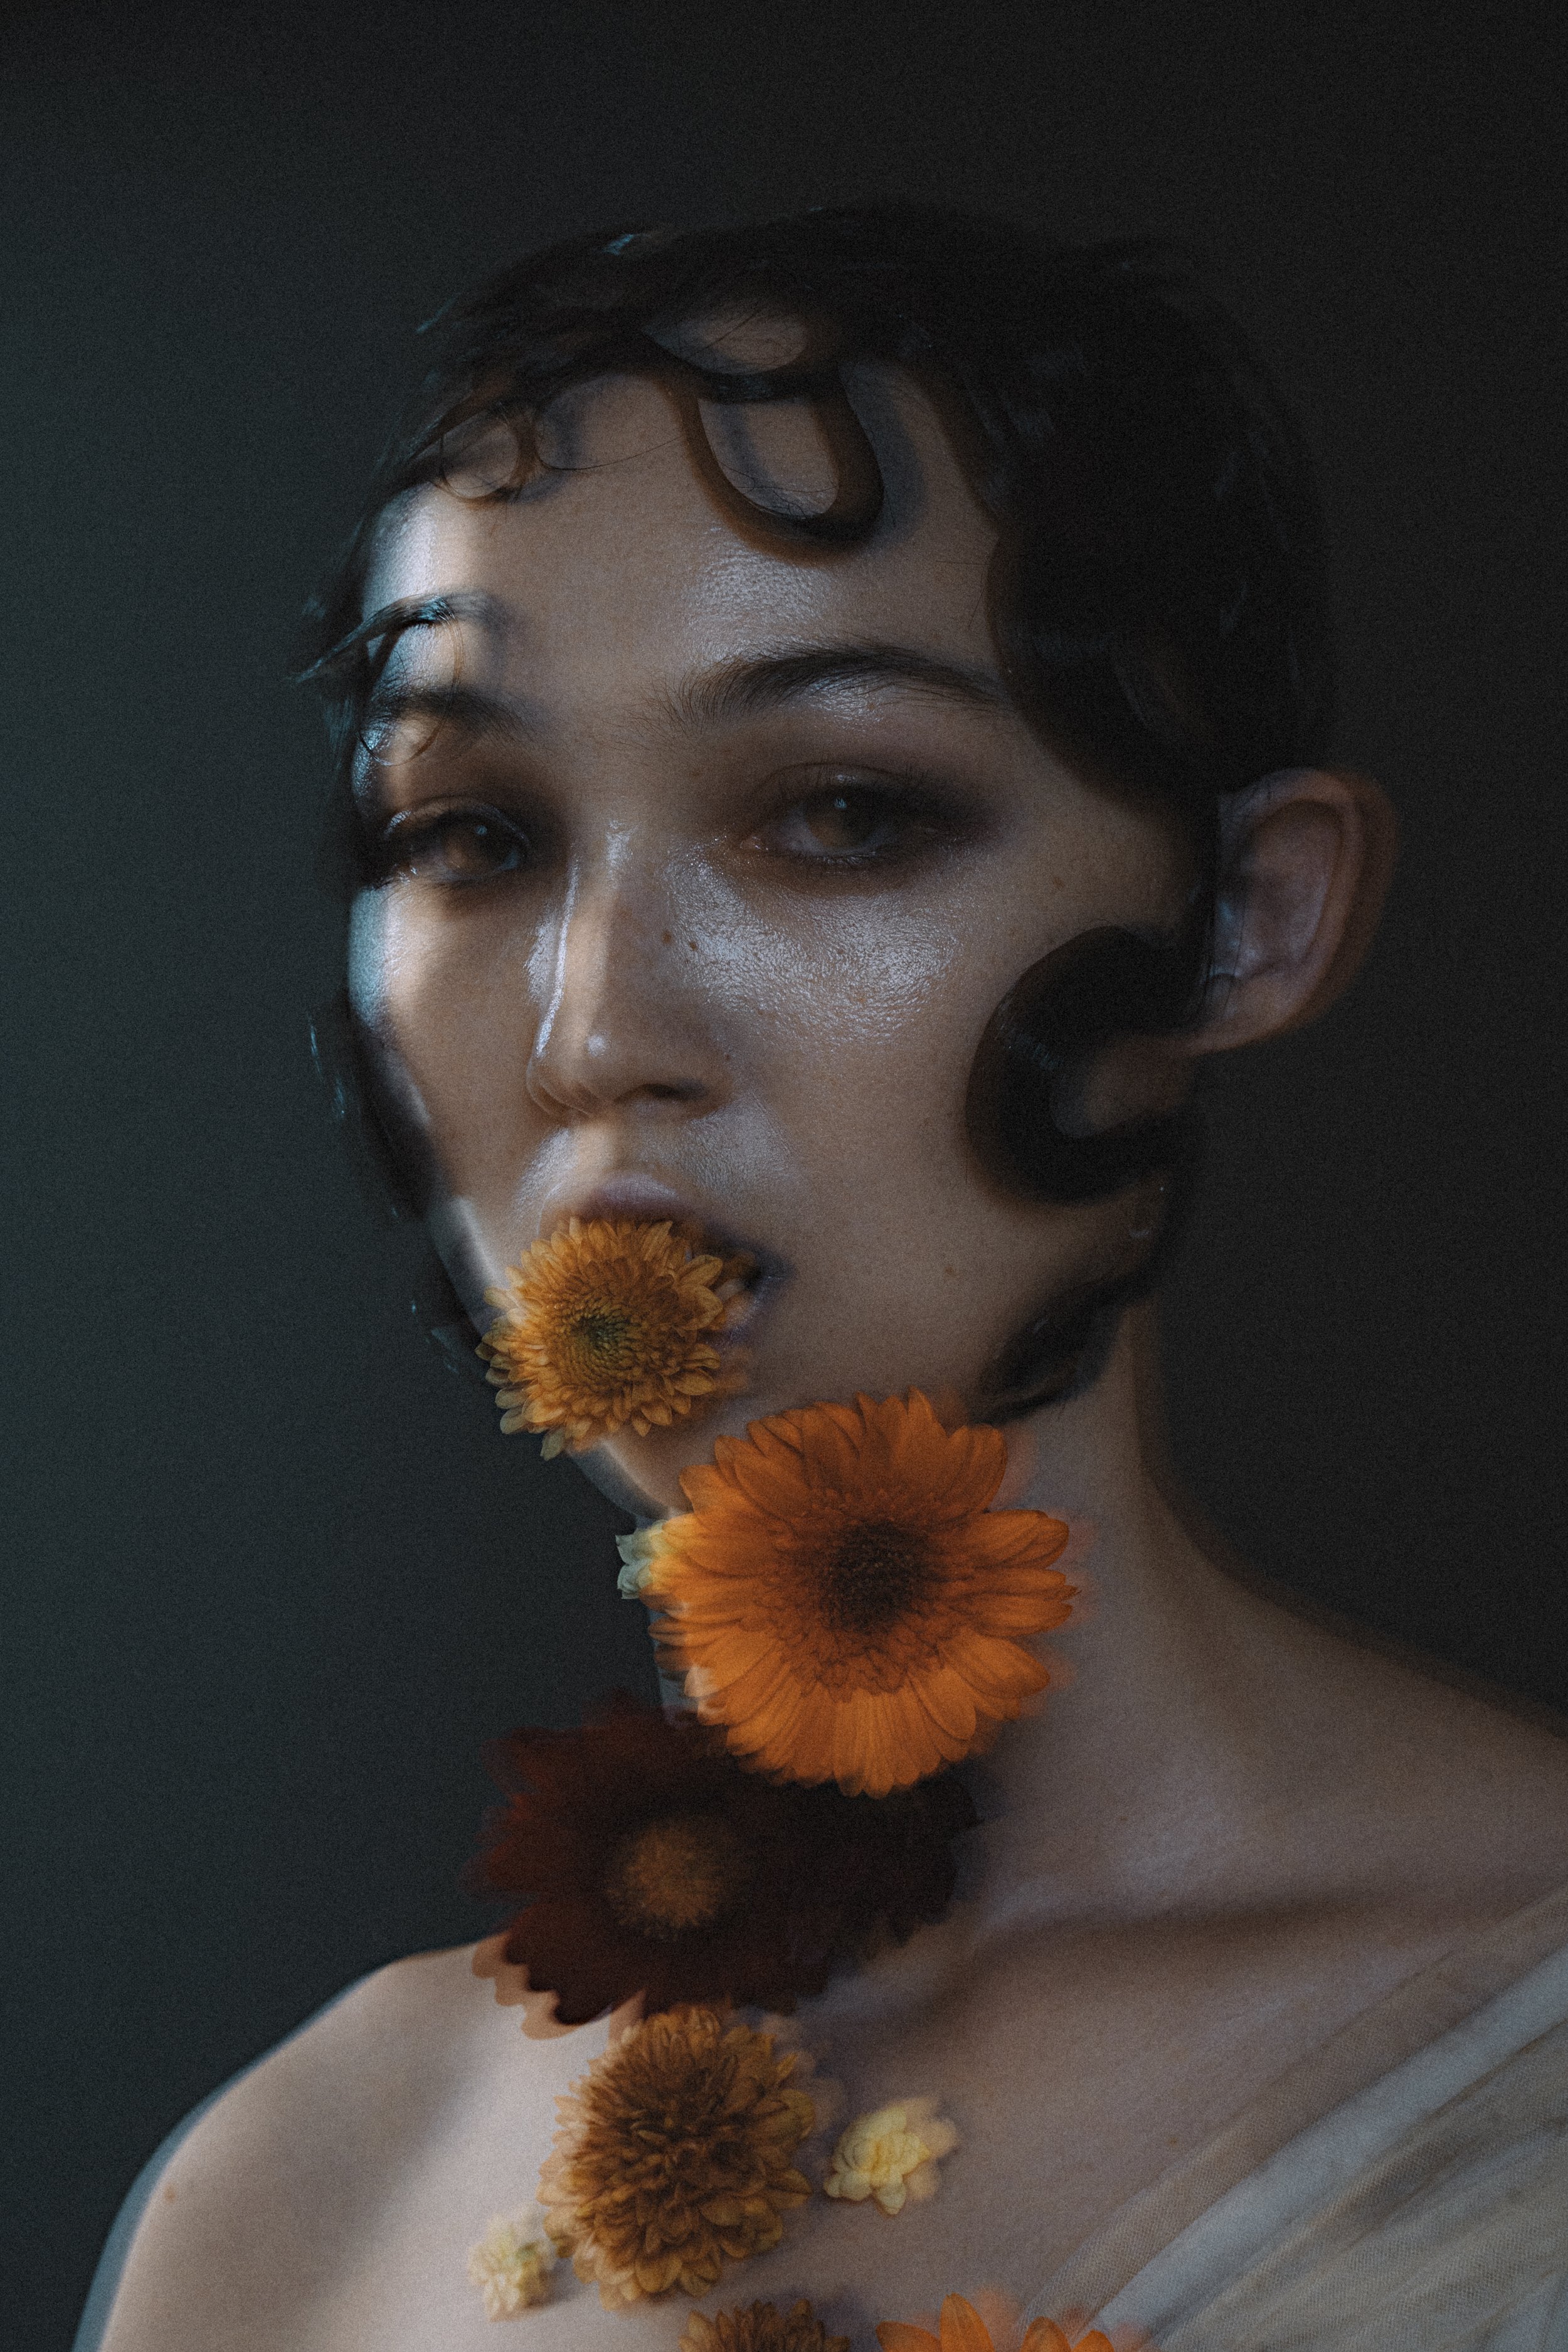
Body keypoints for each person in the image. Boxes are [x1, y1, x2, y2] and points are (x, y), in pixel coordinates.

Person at [80, 208, 1568, 2352]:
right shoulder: (300, 2199)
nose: (597, 1030)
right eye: (472, 833)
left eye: (842, 811)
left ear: (1245, 919)